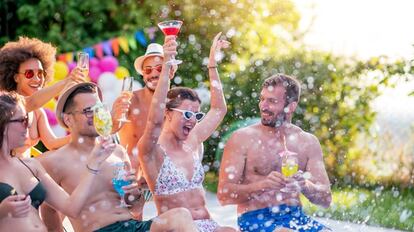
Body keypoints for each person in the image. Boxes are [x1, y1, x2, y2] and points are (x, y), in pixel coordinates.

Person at [38, 82, 197, 232]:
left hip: (132, 226)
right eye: (88, 111)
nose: (96, 115)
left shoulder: (117, 152)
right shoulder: (55, 161)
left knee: (181, 216)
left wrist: (133, 195)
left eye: (99, 108)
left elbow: (136, 208)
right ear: (68, 119)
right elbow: (48, 210)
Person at [138, 33, 235, 232]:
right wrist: (165, 66)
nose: (193, 120)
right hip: (177, 228)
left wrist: (212, 64)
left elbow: (218, 109)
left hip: (207, 225)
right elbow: (154, 121)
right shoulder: (152, 151)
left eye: (197, 115)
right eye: (188, 113)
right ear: (168, 112)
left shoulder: (194, 141)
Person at [217, 74, 332, 231]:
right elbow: (224, 196)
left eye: (272, 101)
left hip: (296, 217)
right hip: (256, 218)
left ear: (291, 106)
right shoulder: (242, 138)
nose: (263, 106)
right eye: (262, 99)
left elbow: (325, 199)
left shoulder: (307, 142)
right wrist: (263, 185)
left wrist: (304, 185)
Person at [0, 91, 116, 231]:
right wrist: (3, 212)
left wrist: (93, 165)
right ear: (3, 124)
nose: (29, 126)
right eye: (22, 120)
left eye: (28, 119)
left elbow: (71, 208)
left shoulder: (31, 165)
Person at [0, 37, 86, 157]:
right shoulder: (5, 103)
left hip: (26, 170)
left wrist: (82, 134)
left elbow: (52, 144)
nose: (37, 79)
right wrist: (67, 81)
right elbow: (30, 103)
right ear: (15, 77)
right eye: (29, 73)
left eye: (40, 73)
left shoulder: (38, 112)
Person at [118, 42, 176, 167]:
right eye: (148, 70)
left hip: (166, 181)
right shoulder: (130, 100)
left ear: (170, 72)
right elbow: (110, 129)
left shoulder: (178, 104)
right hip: (133, 181)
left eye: (160, 69)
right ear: (143, 74)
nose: (153, 74)